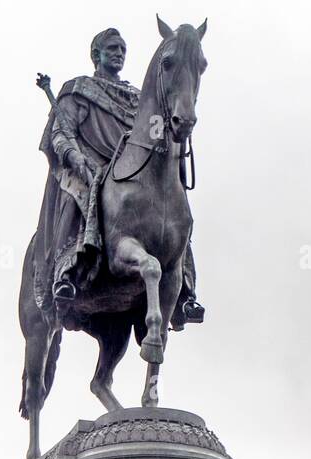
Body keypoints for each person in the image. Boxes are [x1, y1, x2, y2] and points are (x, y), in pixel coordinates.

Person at [32, 27, 203, 327]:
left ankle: (185, 286)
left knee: (173, 208)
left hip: (134, 167)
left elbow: (154, 132)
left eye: (122, 49)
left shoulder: (137, 99)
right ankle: (68, 270)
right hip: (92, 164)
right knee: (82, 194)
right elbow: (61, 133)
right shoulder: (79, 90)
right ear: (96, 54)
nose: (119, 53)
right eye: (112, 48)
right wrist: (76, 158)